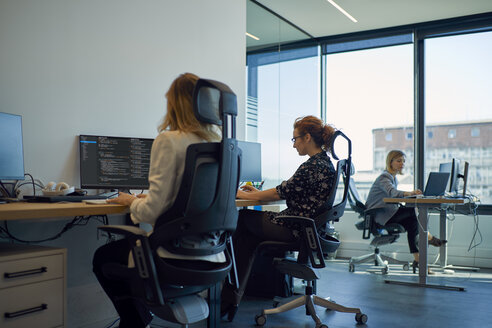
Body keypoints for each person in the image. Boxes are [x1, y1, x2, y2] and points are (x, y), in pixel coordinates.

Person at [92, 73, 223, 328]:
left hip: (173, 253)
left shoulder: (169, 139)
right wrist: (152, 198)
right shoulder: (221, 145)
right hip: (214, 254)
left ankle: (136, 322)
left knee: (103, 257)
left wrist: (131, 201)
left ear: (175, 104)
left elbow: (151, 213)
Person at [221, 115, 337, 319]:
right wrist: (252, 193)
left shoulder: (312, 166)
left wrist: (245, 195)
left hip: (295, 228)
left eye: (295, 139)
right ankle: (230, 299)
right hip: (307, 227)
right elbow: (288, 190)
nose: (294, 145)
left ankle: (227, 298)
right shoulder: (324, 164)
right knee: (247, 237)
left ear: (307, 137)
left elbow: (279, 193)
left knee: (242, 220)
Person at [365, 150, 446, 273]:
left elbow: (394, 196)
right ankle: (429, 237)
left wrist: (411, 195)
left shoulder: (393, 177)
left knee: (413, 224)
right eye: (398, 161)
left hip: (389, 211)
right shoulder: (384, 177)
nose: (402, 163)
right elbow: (392, 193)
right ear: (390, 162)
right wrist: (411, 193)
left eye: (403, 161)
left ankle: (418, 260)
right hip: (380, 214)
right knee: (414, 215)